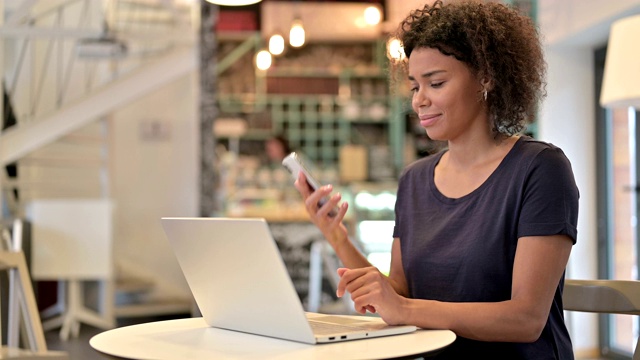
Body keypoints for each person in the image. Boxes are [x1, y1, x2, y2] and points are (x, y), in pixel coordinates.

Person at [294, 1, 579, 359]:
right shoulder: (414, 180)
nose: (419, 101)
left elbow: (525, 318)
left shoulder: (540, 169)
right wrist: (337, 236)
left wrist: (406, 310)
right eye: (415, 87)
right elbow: (400, 293)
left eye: (437, 82)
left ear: (486, 78)